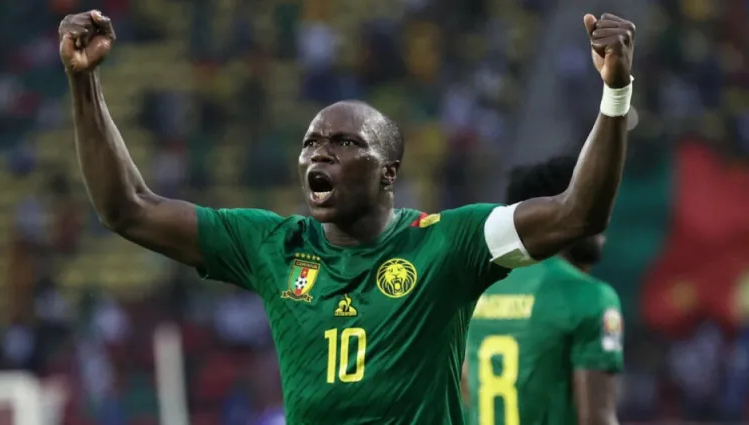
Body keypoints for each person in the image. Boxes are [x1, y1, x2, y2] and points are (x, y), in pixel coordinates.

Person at [58, 10, 635, 424]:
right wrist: (84, 82)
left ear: (388, 172)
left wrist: (614, 93)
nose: (319, 154)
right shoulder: (273, 245)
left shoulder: (449, 243)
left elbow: (577, 213)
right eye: (310, 143)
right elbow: (128, 209)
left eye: (343, 143)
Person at [463, 157, 624, 425]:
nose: (603, 223)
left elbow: (462, 390)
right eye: (595, 208)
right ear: (562, 214)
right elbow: (596, 419)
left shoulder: (475, 291)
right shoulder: (589, 296)